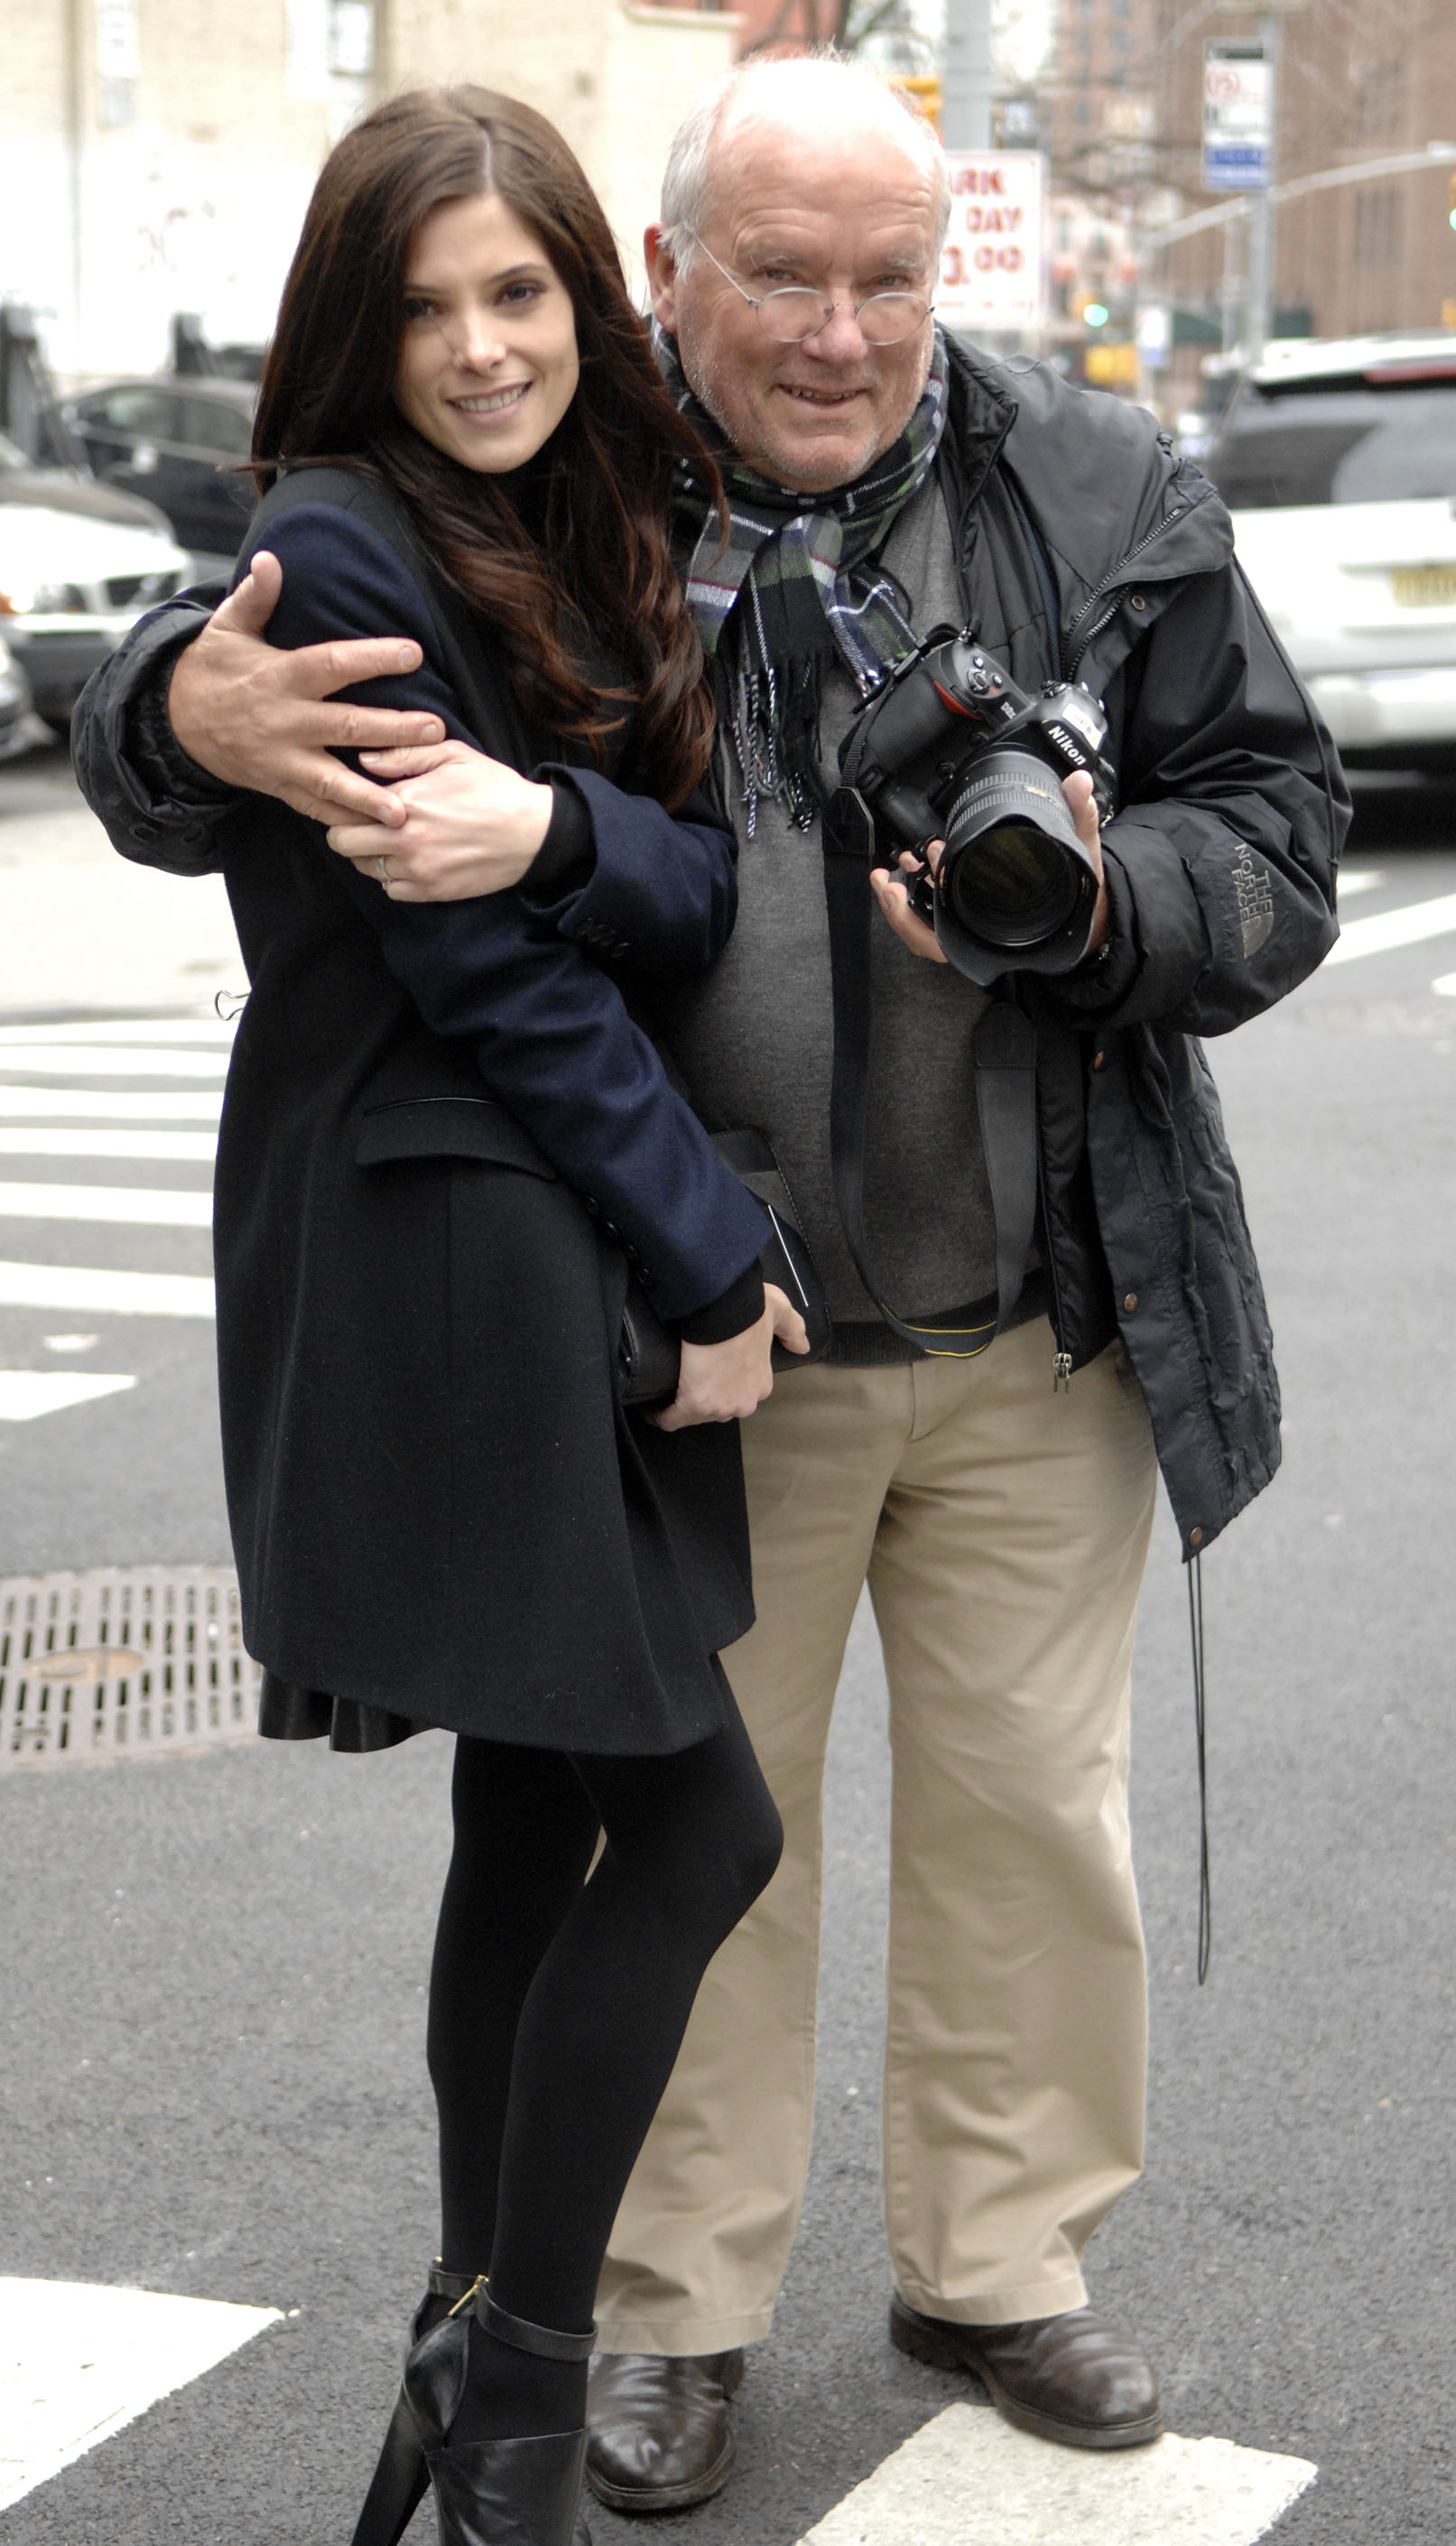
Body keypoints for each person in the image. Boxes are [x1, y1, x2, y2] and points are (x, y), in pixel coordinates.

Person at [73, 51, 1347, 2515]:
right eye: (779, 275)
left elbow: (1277, 827)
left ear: (947, 273)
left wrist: (1103, 906)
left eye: (890, 280)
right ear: (667, 273)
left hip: (1038, 1295)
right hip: (690, 1327)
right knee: (678, 1848)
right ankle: (660, 2312)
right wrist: (170, 704)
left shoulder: (1103, 486)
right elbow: (260, 606)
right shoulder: (564, 456)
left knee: (1031, 1821)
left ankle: (999, 2259)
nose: (838, 332)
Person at [76, 84, 822, 2546]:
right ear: (354, 329)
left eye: (519, 291)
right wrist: (713, 1262)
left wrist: (559, 827)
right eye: (427, 306)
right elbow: (490, 970)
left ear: (586, 298)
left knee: (535, 1811)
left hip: (523, 1206)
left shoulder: (585, 517)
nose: (484, 344)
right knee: (698, 1827)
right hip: (457, 1230)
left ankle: (470, 2332)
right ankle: (514, 2386)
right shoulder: (337, 541)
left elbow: (692, 886)